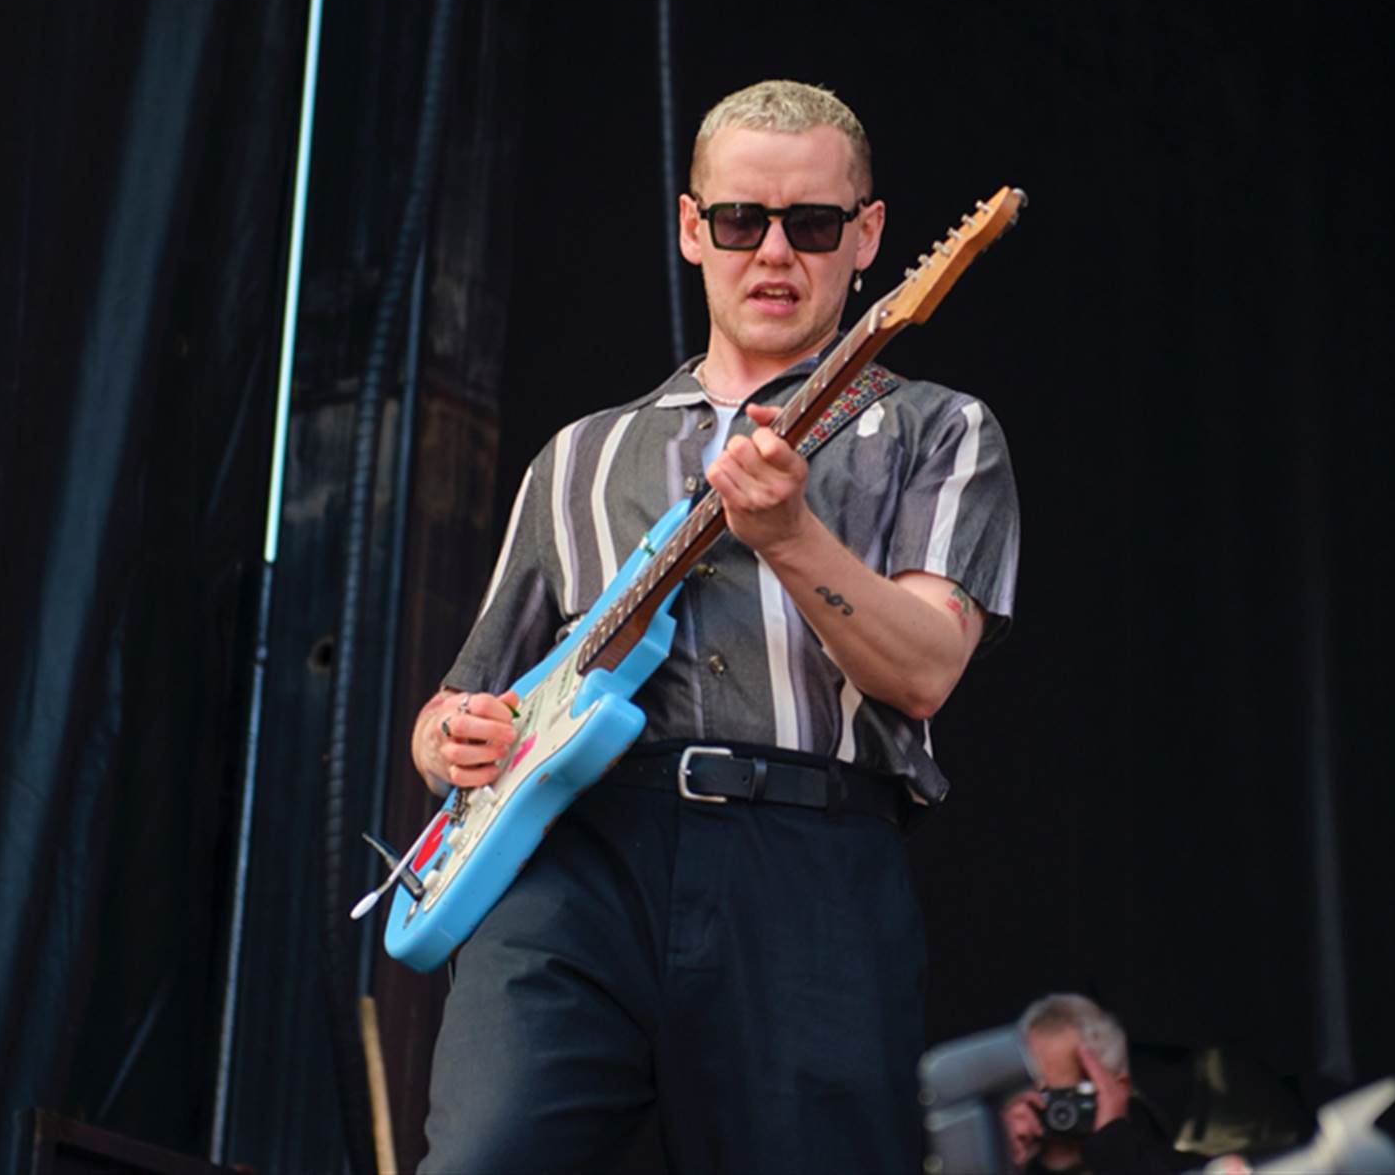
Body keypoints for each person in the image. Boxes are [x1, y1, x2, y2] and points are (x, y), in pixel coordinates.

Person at [408, 79, 1020, 1173]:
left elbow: (925, 672)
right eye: (741, 220)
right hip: (577, 855)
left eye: (812, 224)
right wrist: (449, 738)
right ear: (692, 228)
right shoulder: (580, 457)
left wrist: (790, 535)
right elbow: (462, 698)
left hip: (805, 857)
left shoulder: (937, 429)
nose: (773, 252)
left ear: (868, 235)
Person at [1003, 995, 1185, 1175]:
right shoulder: (1004, 1159)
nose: (1043, 1108)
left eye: (1061, 1096)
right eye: (1033, 1092)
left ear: (1117, 1089)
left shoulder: (1185, 1169)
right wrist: (1001, 1158)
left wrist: (1114, 1148)